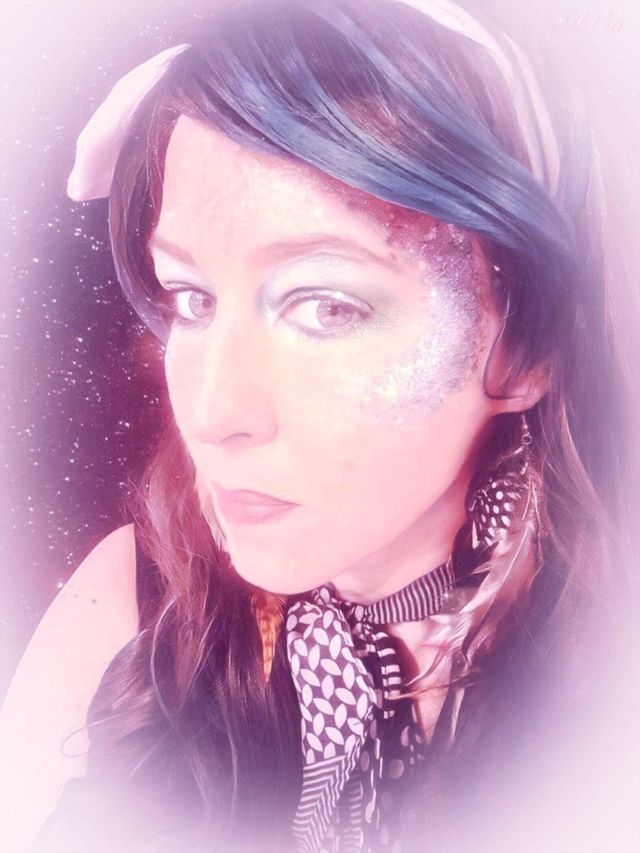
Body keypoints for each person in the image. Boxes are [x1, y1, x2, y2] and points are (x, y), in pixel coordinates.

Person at [1, 0, 636, 851]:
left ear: (525, 349)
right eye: (191, 299)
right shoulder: (129, 602)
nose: (213, 414)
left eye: (328, 306)